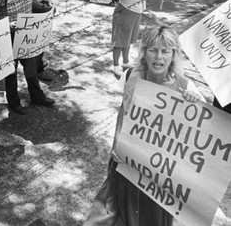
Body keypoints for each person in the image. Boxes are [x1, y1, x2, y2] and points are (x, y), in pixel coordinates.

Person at [84, 25, 201, 226]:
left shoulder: (186, 87)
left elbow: (200, 131)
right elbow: (123, 110)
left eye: (165, 51)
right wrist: (116, 144)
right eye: (153, 50)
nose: (159, 57)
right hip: (127, 162)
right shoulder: (130, 75)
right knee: (110, 215)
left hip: (159, 175)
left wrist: (194, 104)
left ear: (173, 55)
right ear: (144, 52)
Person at [0, 0, 55, 115]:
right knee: (11, 72)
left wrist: (47, 9)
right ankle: (14, 102)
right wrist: (7, 24)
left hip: (27, 36)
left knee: (31, 68)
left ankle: (37, 97)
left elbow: (30, 2)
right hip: (9, 39)